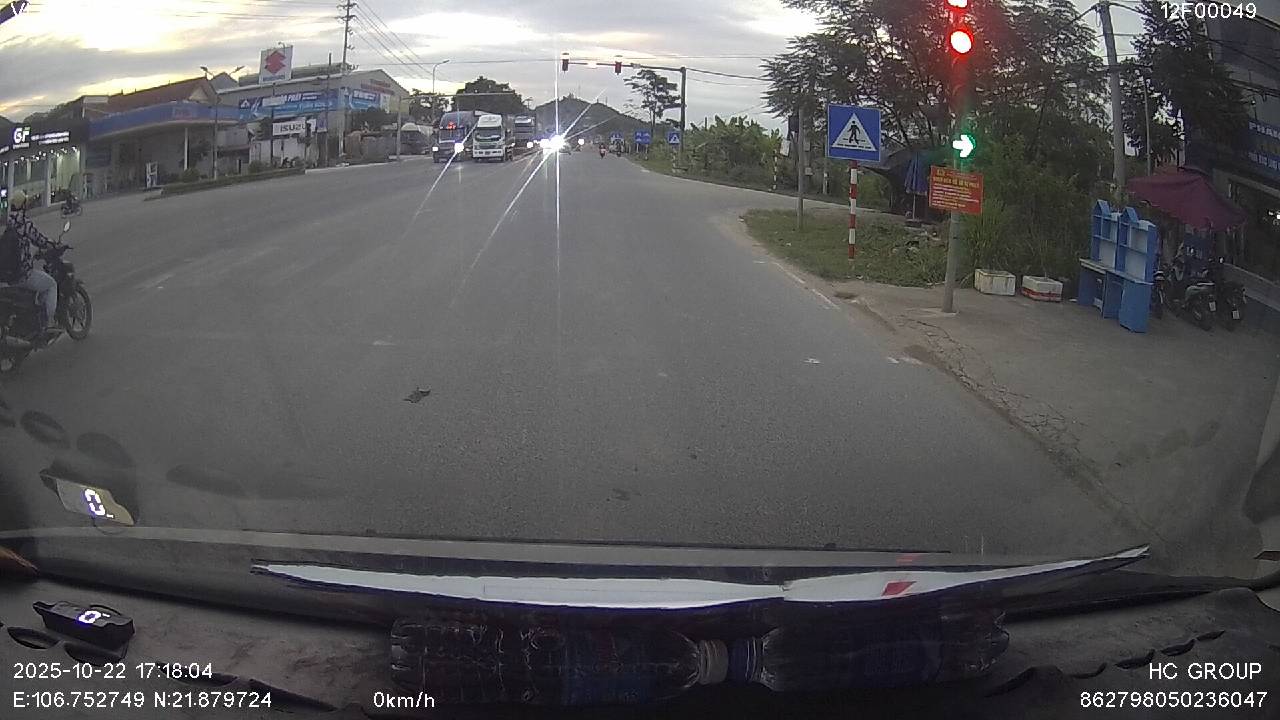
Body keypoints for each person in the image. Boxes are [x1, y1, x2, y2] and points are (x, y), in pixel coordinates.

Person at [2, 190, 59, 344]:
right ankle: (47, 324)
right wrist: (52, 244)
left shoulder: (9, 222)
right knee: (51, 285)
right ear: (23, 205)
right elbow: (39, 239)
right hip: (23, 274)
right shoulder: (24, 222)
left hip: (10, 275)